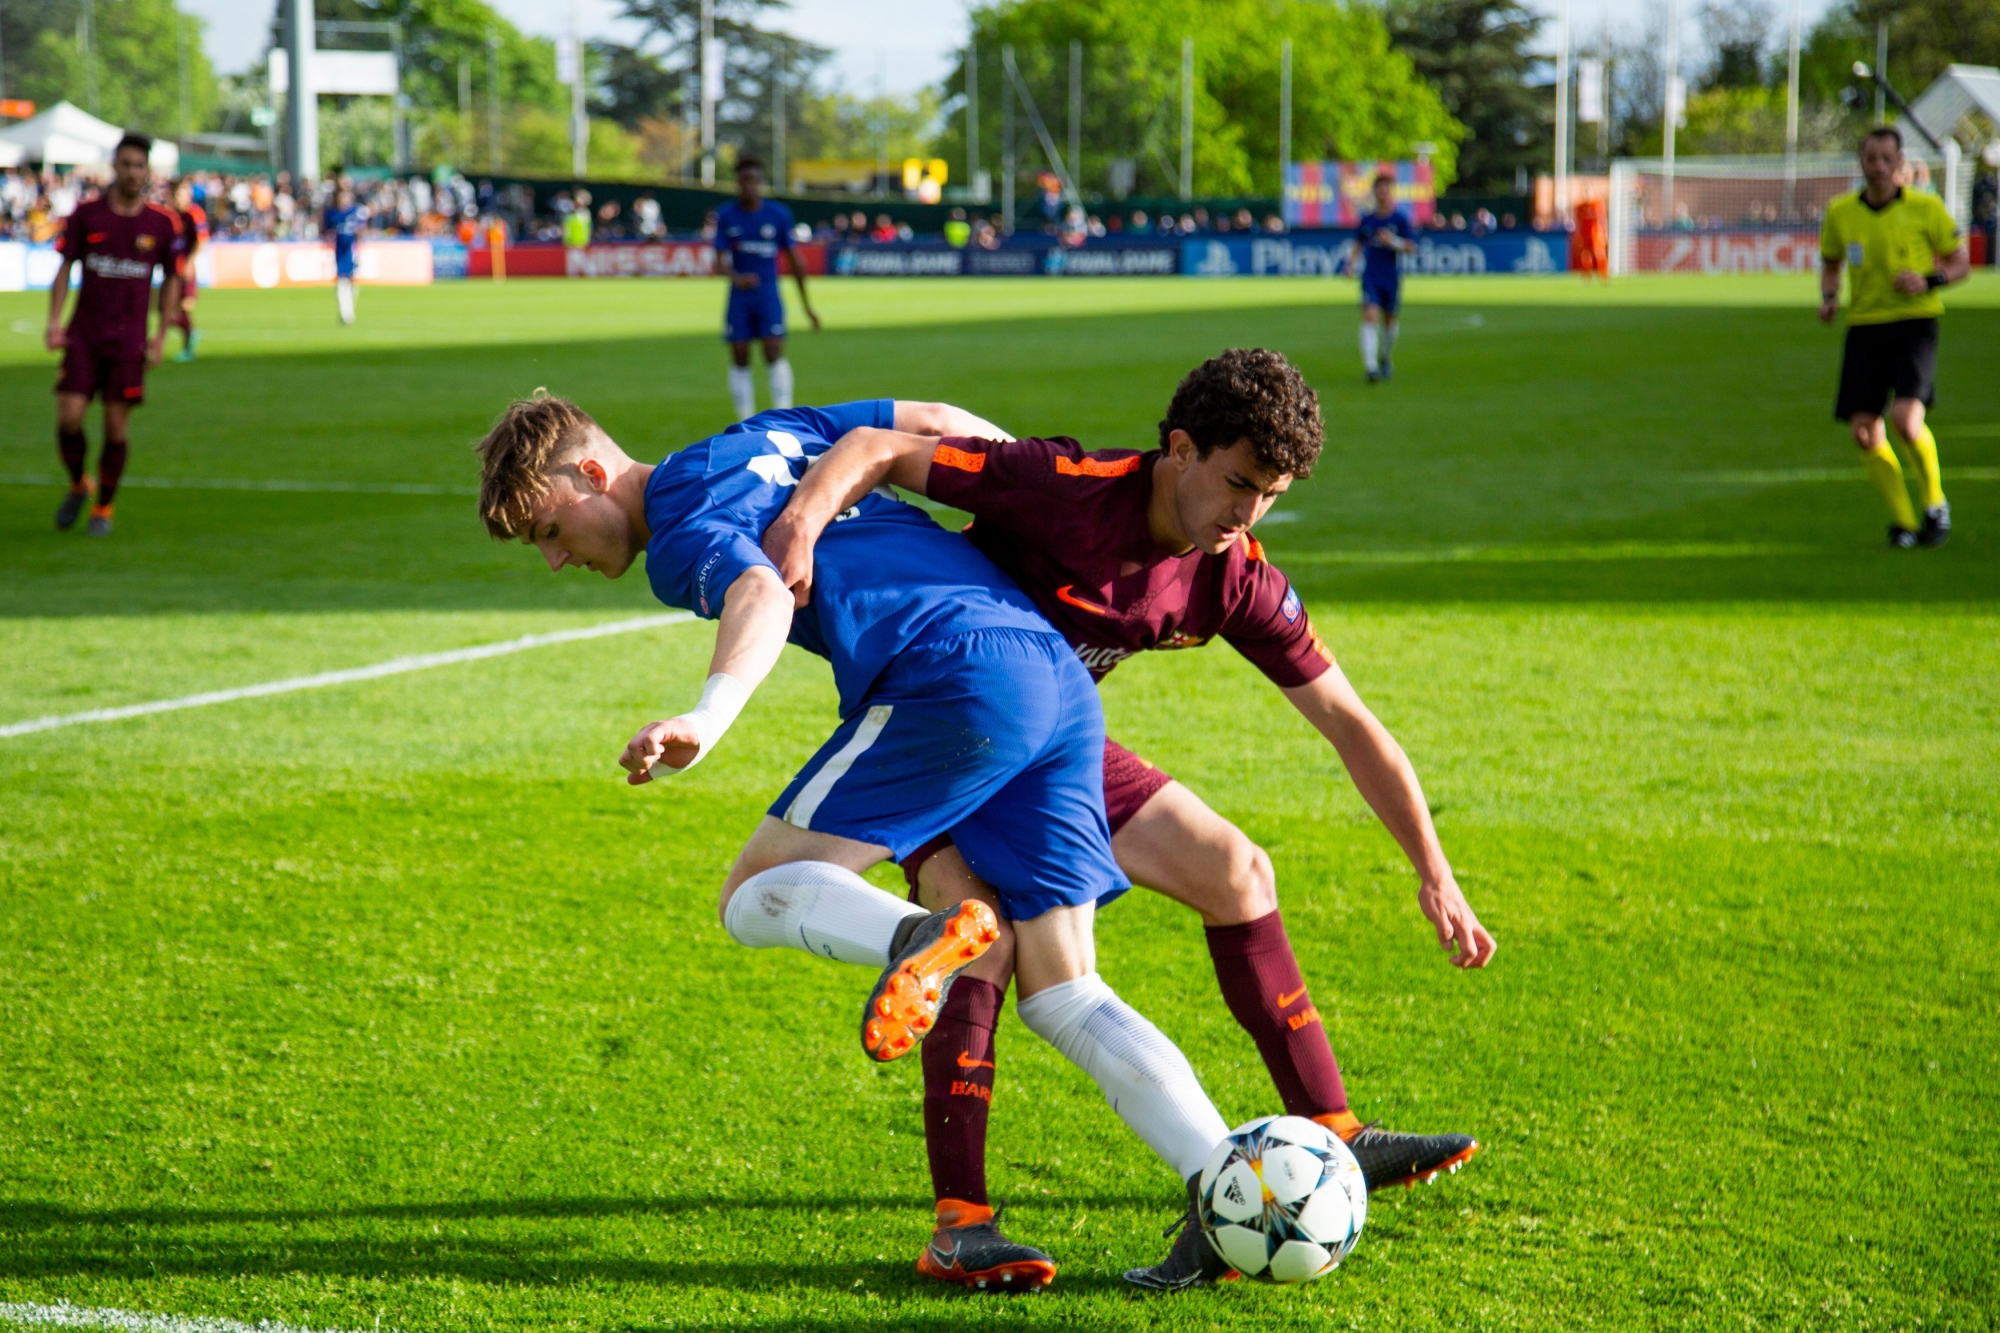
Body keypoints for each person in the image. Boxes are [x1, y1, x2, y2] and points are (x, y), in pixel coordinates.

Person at [475, 395, 1250, 1293]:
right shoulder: (771, 428)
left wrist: (708, 716)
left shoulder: (682, 516)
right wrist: (1026, 485)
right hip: (1057, 677)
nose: (556, 555)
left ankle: (919, 937)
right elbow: (927, 414)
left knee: (755, 891)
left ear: (594, 473)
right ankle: (1228, 1189)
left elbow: (761, 587)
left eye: (550, 527)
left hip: (949, 671)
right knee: (1066, 990)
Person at [764, 350, 1496, 1291]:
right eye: (1238, 483)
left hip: (1060, 744)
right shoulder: (1062, 487)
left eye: (1270, 494)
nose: (1249, 514)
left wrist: (1434, 870)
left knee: (1238, 870)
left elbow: (1349, 721)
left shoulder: (1233, 573)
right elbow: (878, 448)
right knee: (978, 937)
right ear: (1179, 450)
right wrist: (798, 529)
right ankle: (962, 1222)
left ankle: (1333, 1134)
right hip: (952, 727)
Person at [1819, 125, 1971, 548]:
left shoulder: (1925, 208)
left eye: (1888, 159)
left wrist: (1930, 279)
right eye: (1872, 159)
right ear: (1862, 163)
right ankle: (1905, 523)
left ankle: (1935, 504)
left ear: (1900, 163)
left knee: (1906, 421)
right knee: (1864, 431)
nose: (1880, 167)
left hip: (1913, 324)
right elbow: (1831, 262)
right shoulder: (1841, 212)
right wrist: (1829, 298)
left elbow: (1961, 262)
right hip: (1865, 326)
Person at [46, 133, 184, 538]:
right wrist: (54, 321)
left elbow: (173, 277)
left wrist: (160, 337)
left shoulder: (160, 223)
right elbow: (64, 268)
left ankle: (103, 507)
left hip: (128, 344)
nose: (131, 172)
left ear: (147, 171)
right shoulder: (87, 216)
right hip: (84, 337)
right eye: (125, 164)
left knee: (115, 428)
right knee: (69, 419)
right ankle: (78, 483)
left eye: (139, 165)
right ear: (115, 166)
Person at [715, 155, 819, 422]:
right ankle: (744, 420)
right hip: (740, 296)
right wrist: (736, 277)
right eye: (744, 180)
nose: (749, 185)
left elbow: (794, 259)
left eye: (754, 180)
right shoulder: (727, 215)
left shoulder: (778, 215)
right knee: (739, 353)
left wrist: (807, 306)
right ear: (738, 183)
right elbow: (719, 259)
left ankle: (784, 416)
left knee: (773, 350)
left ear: (761, 182)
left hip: (768, 294)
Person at [1349, 173, 1416, 383]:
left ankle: (1385, 355)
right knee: (1369, 315)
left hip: (1391, 277)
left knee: (1389, 322)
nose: (1382, 193)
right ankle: (1370, 367)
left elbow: (1410, 247)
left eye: (1385, 189)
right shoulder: (1368, 219)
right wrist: (1350, 264)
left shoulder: (1400, 219)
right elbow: (1359, 243)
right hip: (1371, 276)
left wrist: (1393, 241)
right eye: (1379, 189)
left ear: (1391, 191)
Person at [170, 177, 208, 360]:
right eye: (177, 193)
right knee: (168, 312)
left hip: (186, 269)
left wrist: (190, 262)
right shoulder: (171, 214)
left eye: (183, 193)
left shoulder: (194, 213)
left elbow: (201, 240)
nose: (179, 197)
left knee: (185, 306)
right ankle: (191, 334)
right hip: (172, 270)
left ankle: (188, 347)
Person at [322, 182, 365, 326]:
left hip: (352, 250)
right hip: (339, 251)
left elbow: (361, 231)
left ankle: (349, 309)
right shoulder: (332, 213)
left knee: (352, 282)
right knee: (341, 281)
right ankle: (346, 314)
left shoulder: (354, 211)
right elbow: (325, 231)